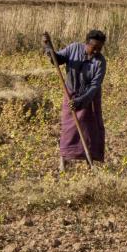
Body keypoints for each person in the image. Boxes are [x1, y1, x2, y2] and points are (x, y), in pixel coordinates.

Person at [43, 30, 107, 170]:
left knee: (91, 129)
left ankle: (90, 162)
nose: (96, 51)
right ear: (86, 44)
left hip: (90, 97)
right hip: (71, 93)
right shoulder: (74, 48)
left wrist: (81, 101)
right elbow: (57, 59)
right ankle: (63, 161)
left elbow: (95, 85)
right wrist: (49, 48)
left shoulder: (100, 62)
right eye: (94, 47)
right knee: (69, 128)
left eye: (99, 49)